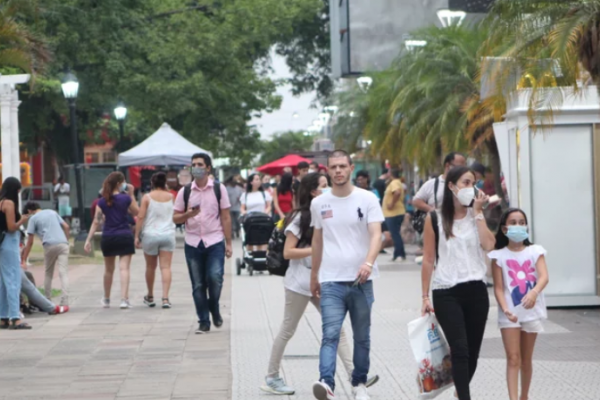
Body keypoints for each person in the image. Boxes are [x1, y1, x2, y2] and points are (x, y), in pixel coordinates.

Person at [310, 150, 383, 400]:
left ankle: (359, 383)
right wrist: (314, 275)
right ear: (327, 171)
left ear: (351, 168)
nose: (338, 171)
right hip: (331, 280)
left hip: (362, 281)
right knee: (330, 334)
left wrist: (369, 262)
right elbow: (317, 240)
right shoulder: (319, 203)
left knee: (362, 336)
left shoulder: (368, 198)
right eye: (333, 167)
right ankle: (326, 383)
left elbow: (377, 235)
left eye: (342, 166)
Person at [421, 166, 496, 400]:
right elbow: (428, 259)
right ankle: (465, 396)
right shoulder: (434, 218)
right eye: (465, 182)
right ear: (451, 186)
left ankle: (459, 391)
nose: (470, 188)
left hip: (476, 290)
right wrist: (424, 296)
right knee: (460, 349)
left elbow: (489, 245)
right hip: (446, 291)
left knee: (472, 353)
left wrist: (478, 212)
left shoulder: (477, 216)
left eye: (473, 183)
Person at [488, 208, 549, 400]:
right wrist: (505, 309)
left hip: (531, 311)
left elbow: (544, 277)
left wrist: (534, 292)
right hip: (509, 313)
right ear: (504, 229)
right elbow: (498, 287)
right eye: (513, 222)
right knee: (513, 358)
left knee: (526, 360)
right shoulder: (498, 256)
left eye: (522, 222)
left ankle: (524, 396)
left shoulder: (535, 251)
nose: (518, 226)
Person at [173, 153, 232, 334]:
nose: (196, 167)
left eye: (200, 164)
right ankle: (204, 321)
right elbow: (175, 218)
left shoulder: (218, 189)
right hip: (192, 242)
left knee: (215, 278)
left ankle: (213, 306)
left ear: (208, 168)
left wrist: (229, 242)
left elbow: (225, 216)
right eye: (193, 165)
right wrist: (187, 215)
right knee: (198, 284)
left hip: (214, 240)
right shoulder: (185, 191)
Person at [85, 172, 139, 309]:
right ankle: (124, 299)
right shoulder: (125, 198)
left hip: (108, 236)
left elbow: (96, 222)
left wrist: (88, 239)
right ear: (119, 183)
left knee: (108, 270)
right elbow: (136, 212)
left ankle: (107, 299)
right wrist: (132, 194)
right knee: (124, 268)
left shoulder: (102, 201)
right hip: (124, 235)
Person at [135, 172, 176, 309]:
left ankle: (150, 296)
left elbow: (140, 217)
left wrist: (136, 236)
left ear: (152, 183)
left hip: (150, 235)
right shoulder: (171, 197)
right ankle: (165, 298)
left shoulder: (146, 198)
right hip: (168, 235)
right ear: (165, 183)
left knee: (150, 267)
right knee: (166, 267)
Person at [21, 202, 71, 306]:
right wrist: (66, 241)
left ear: (30, 211)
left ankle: (48, 300)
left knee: (48, 273)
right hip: (63, 244)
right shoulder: (53, 212)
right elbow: (66, 226)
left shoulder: (33, 218)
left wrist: (24, 259)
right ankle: (65, 301)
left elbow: (30, 242)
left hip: (49, 245)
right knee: (63, 273)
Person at [0, 177, 31, 329]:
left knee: (3, 282)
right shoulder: (9, 203)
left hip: (1, 242)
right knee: (13, 279)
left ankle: (3, 316)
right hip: (9, 241)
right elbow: (12, 226)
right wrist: (22, 220)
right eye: (18, 189)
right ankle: (15, 317)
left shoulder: (1, 202)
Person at [382, 169, 406, 262]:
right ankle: (398, 253)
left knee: (394, 233)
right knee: (396, 233)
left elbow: (397, 192)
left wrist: (391, 204)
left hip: (393, 213)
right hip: (395, 212)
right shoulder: (397, 182)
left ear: (391, 174)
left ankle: (399, 254)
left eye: (388, 172)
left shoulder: (394, 182)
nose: (387, 174)